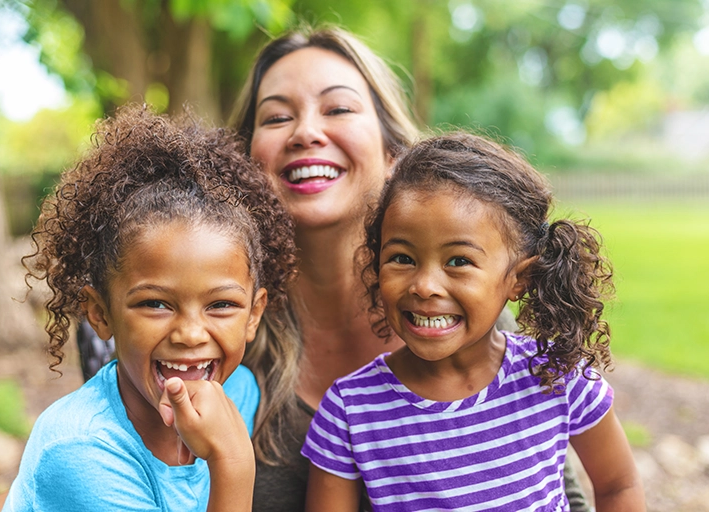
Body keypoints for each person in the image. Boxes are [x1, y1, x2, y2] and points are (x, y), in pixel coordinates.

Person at [231, 25, 592, 511]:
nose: (306, 132)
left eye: (338, 108)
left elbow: (557, 489)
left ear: (393, 152)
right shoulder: (219, 330)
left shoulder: (475, 314)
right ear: (243, 162)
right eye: (276, 117)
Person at [301, 133, 646, 511]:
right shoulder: (350, 411)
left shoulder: (555, 375)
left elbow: (618, 486)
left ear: (519, 279)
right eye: (402, 258)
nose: (425, 285)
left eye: (458, 261)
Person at [2, 105, 297, 511]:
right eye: (156, 303)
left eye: (222, 304)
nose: (191, 334)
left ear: (254, 314)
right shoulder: (81, 450)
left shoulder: (239, 391)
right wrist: (231, 461)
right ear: (100, 314)